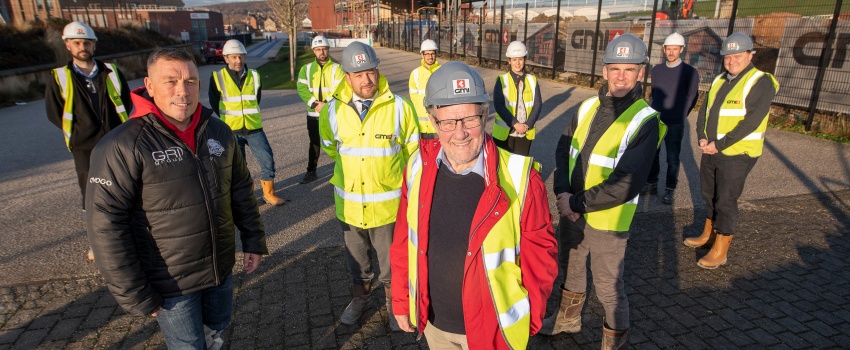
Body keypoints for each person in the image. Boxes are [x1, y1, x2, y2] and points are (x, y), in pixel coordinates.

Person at [85, 48, 267, 349]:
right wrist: (134, 292)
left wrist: (253, 241)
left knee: (218, 333)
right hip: (170, 283)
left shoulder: (219, 131)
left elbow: (240, 191)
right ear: (149, 84)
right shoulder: (122, 145)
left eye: (191, 81)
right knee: (188, 346)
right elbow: (106, 225)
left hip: (219, 269)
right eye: (170, 81)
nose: (183, 91)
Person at [390, 61, 558, 349]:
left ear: (485, 116)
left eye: (470, 120)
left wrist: (530, 319)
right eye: (448, 122)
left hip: (493, 331)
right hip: (434, 325)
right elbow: (404, 240)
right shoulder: (417, 166)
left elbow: (540, 255)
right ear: (432, 122)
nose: (460, 133)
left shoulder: (521, 178)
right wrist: (402, 299)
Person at [545, 34, 665, 349]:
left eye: (629, 69)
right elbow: (563, 149)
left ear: (641, 72)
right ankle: (567, 319)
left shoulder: (644, 120)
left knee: (609, 289)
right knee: (570, 270)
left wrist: (575, 202)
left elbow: (627, 182)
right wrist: (561, 192)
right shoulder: (585, 107)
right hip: (572, 209)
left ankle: (614, 342)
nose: (621, 76)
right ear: (604, 71)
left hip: (607, 222)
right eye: (615, 68)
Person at [319, 42, 419, 329]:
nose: (367, 80)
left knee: (392, 265)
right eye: (359, 74)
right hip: (349, 207)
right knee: (357, 264)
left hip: (387, 209)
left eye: (371, 72)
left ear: (378, 71)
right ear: (346, 77)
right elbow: (331, 149)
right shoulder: (332, 112)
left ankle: (393, 303)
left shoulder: (400, 108)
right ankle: (361, 299)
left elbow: (413, 155)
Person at [685, 33, 778, 269]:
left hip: (738, 153)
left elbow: (752, 121)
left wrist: (720, 144)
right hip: (712, 149)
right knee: (709, 194)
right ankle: (709, 235)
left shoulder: (760, 81)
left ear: (750, 55)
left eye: (738, 55)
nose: (732, 61)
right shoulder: (719, 80)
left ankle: (721, 249)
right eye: (728, 56)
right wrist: (702, 137)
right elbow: (704, 112)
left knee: (726, 199)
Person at [45, 21, 132, 261]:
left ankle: (127, 238)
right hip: (84, 147)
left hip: (115, 141)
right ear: (68, 45)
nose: (82, 47)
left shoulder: (111, 72)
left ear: (93, 44)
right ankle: (98, 244)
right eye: (77, 43)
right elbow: (55, 111)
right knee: (91, 195)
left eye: (86, 42)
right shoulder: (60, 77)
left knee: (124, 189)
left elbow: (125, 101)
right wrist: (79, 132)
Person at [209, 39, 285, 206]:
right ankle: (248, 196)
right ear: (226, 58)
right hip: (231, 130)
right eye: (234, 57)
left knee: (267, 160)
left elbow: (256, 99)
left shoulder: (255, 76)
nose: (238, 61)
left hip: (254, 128)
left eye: (241, 57)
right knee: (239, 167)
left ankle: (269, 194)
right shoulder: (217, 77)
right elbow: (215, 103)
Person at [644, 32, 700, 204]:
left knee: (672, 158)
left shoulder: (689, 72)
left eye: (675, 49)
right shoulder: (657, 70)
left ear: (681, 49)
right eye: (668, 49)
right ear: (664, 49)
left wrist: (681, 115)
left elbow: (692, 96)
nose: (671, 52)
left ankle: (670, 189)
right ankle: (651, 184)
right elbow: (654, 93)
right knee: (652, 154)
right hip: (656, 119)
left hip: (675, 122)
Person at [296, 35, 345, 184]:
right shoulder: (306, 69)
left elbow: (340, 88)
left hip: (332, 113)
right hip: (313, 113)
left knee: (337, 143)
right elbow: (301, 88)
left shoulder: (338, 68)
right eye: (318, 49)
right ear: (314, 51)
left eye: (324, 49)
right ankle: (311, 171)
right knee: (314, 143)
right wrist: (314, 103)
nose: (321, 52)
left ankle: (341, 171)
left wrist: (325, 104)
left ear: (328, 49)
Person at [492, 41, 543, 156]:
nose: (518, 63)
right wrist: (515, 124)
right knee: (503, 168)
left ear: (525, 59)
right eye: (514, 60)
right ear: (509, 61)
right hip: (505, 132)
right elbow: (498, 105)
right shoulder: (502, 80)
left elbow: (538, 105)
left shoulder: (532, 80)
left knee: (520, 167)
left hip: (525, 132)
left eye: (520, 59)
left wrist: (527, 124)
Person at [408, 39, 442, 139]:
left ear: (436, 54)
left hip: (439, 122)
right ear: (422, 55)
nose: (430, 57)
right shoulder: (415, 74)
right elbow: (413, 99)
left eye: (432, 53)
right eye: (427, 54)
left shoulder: (442, 71)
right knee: (424, 151)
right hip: (422, 124)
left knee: (441, 151)